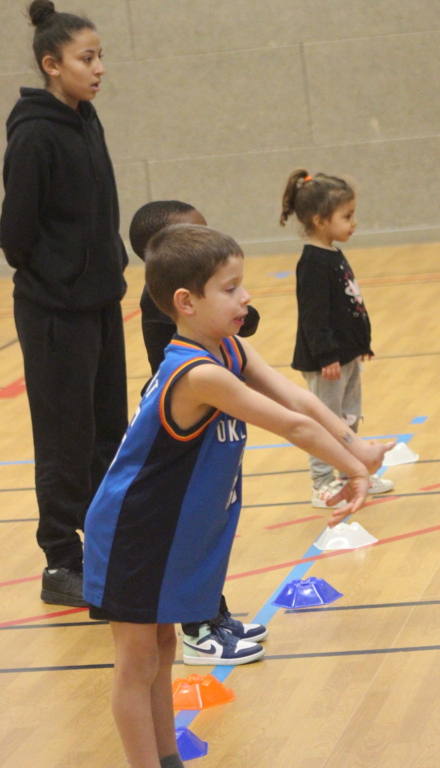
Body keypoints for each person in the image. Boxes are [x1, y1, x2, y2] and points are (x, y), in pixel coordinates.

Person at [83, 223, 393, 768]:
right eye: (229, 288)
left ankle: (166, 759)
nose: (245, 296)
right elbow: (293, 426)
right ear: (186, 302)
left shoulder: (229, 347)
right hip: (132, 531)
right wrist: (352, 468)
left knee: (162, 650)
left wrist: (359, 448)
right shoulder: (198, 374)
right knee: (137, 662)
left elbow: (301, 401)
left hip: (162, 532)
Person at [0, 0, 128, 607]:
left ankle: (103, 547)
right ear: (52, 65)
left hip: (100, 302)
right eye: (86, 58)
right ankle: (60, 561)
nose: (99, 68)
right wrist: (61, 277)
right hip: (55, 311)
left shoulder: (86, 118)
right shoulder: (34, 134)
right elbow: (15, 236)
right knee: (64, 440)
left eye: (100, 56)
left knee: (108, 432)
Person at [128, 200, 267, 666]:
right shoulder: (167, 309)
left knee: (210, 525)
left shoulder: (199, 305)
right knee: (188, 533)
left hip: (204, 415)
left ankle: (212, 613)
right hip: (184, 425)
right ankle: (198, 629)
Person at [280, 169, 395, 509]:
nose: (353, 222)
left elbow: (348, 305)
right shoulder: (313, 262)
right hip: (327, 362)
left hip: (347, 356)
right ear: (320, 220)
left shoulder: (332, 253)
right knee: (325, 421)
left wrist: (361, 345)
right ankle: (322, 483)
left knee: (348, 417)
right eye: (347, 216)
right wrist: (326, 355)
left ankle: (349, 473)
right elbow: (313, 316)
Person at [129, 200, 261, 376]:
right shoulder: (167, 295)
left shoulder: (180, 285)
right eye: (194, 237)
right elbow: (247, 323)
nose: (208, 242)